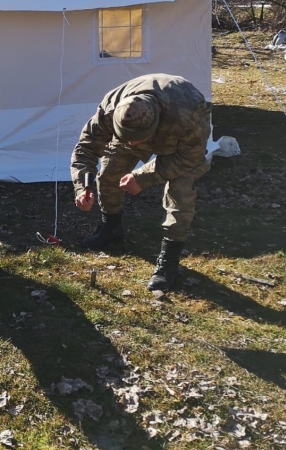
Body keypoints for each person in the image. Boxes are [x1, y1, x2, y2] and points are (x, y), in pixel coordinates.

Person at [70, 74, 212, 291]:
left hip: (177, 142)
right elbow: (85, 149)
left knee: (180, 191)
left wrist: (143, 177)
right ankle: (111, 227)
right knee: (109, 173)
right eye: (126, 136)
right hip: (145, 123)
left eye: (137, 138)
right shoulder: (112, 109)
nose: (132, 143)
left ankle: (169, 260)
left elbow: (189, 158)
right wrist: (82, 187)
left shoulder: (188, 115)